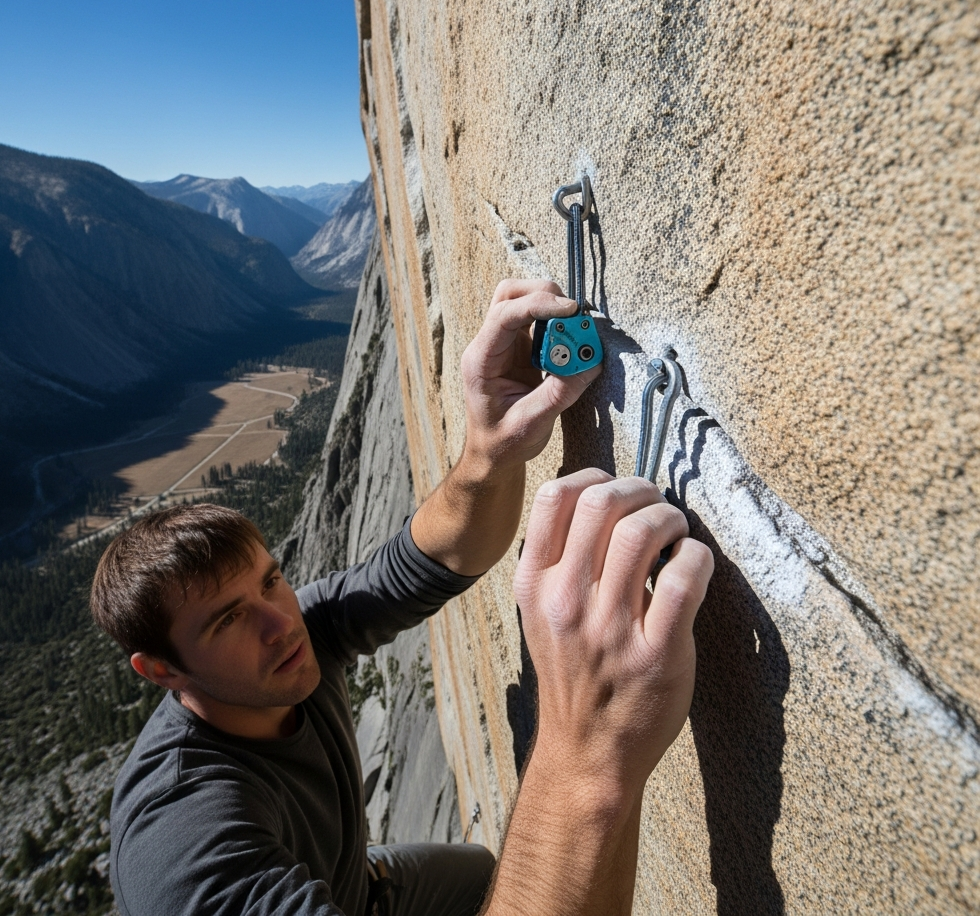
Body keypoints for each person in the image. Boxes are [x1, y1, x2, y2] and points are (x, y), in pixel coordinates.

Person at [90, 279, 713, 916]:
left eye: (270, 580)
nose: (279, 622)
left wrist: (489, 451)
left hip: (359, 887)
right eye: (226, 621)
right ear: (163, 670)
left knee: (481, 874)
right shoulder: (187, 852)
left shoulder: (296, 632)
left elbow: (432, 558)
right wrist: (584, 752)